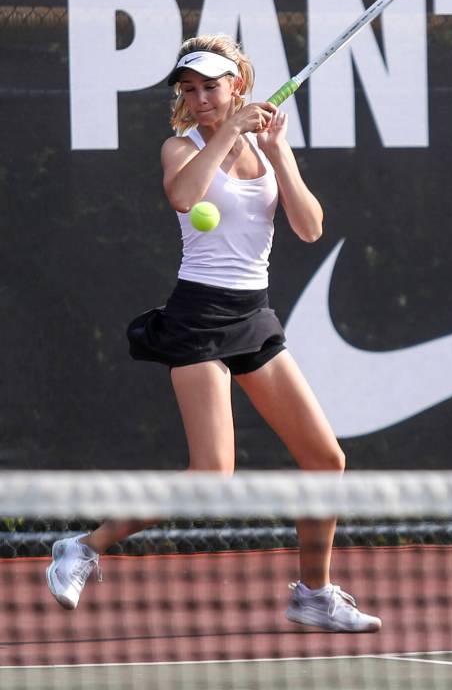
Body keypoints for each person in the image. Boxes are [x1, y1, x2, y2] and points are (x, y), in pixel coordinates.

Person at [46, 34, 381, 634]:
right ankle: (83, 547)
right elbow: (182, 196)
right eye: (189, 89)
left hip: (254, 317)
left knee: (325, 459)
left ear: (237, 86)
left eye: (211, 86)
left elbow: (308, 227)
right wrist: (228, 132)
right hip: (197, 316)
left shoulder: (268, 144)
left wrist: (278, 153)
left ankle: (314, 593)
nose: (200, 98)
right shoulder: (181, 147)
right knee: (212, 473)